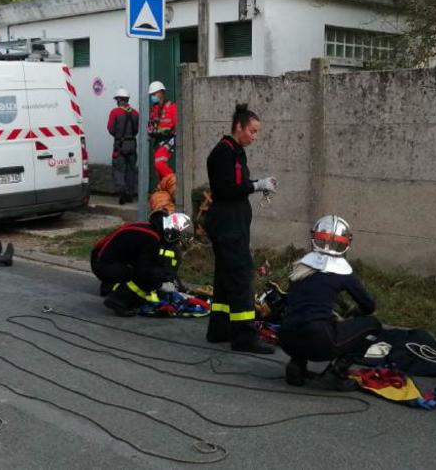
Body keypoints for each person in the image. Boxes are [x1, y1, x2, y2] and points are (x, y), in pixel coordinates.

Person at [204, 104, 277, 354]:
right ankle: (244, 336)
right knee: (242, 276)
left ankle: (220, 329)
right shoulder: (225, 153)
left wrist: (254, 185)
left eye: (257, 133)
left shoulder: (234, 151)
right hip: (228, 226)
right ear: (239, 127)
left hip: (231, 224)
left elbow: (235, 185)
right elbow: (228, 189)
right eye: (253, 131)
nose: (254, 137)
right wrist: (256, 185)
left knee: (225, 277)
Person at [278, 215, 381, 391]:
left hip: (286, 338)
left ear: (315, 238)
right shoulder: (343, 272)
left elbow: (301, 303)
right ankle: (335, 374)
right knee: (373, 325)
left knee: (303, 318)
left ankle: (296, 366)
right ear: (345, 243)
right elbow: (369, 306)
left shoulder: (300, 268)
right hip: (319, 341)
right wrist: (352, 314)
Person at [91, 211, 191, 316]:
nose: (177, 243)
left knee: (150, 273)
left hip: (105, 260)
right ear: (172, 231)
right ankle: (117, 300)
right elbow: (145, 269)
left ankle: (128, 299)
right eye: (178, 238)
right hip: (103, 264)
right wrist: (161, 285)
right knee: (150, 275)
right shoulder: (152, 238)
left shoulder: (150, 230)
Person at [107, 88, 138, 204]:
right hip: (132, 144)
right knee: (131, 169)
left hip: (120, 144)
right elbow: (136, 130)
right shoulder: (135, 113)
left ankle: (122, 193)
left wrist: (119, 136)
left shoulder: (115, 112)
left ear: (119, 100)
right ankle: (130, 194)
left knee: (119, 169)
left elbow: (110, 129)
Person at [147, 81, 176, 183]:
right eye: (151, 95)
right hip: (158, 141)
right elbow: (150, 125)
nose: (153, 96)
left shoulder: (171, 107)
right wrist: (151, 131)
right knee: (158, 170)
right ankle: (165, 190)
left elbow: (178, 126)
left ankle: (174, 183)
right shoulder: (154, 109)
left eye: (154, 94)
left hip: (169, 139)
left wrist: (168, 131)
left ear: (161, 93)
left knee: (159, 164)